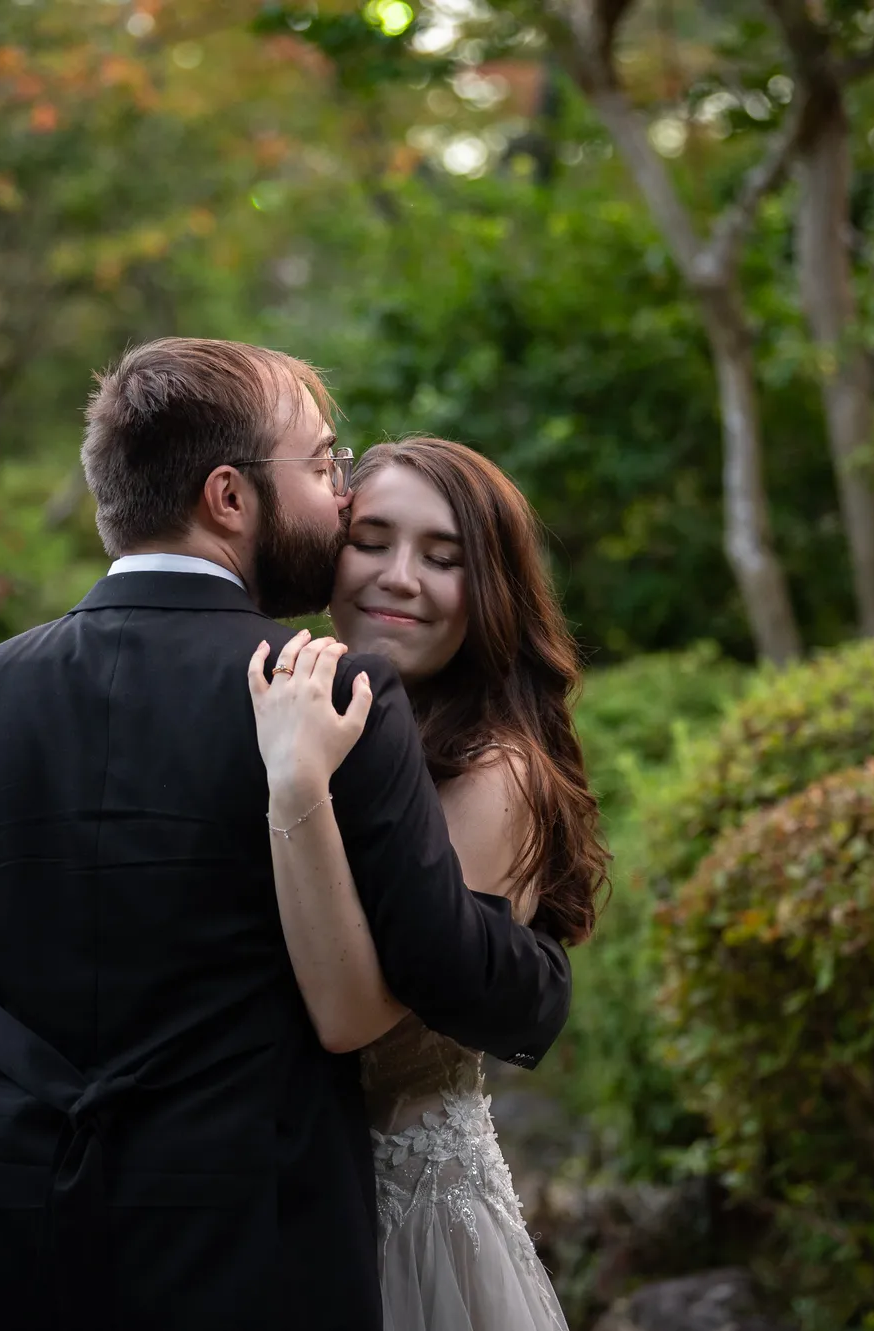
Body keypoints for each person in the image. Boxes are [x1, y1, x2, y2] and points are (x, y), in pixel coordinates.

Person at [0, 340, 572, 1331]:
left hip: (2, 1229)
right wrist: (542, 973)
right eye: (322, 463)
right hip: (245, 1241)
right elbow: (436, 965)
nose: (336, 496)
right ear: (228, 496)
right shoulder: (334, 689)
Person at [247, 437, 610, 1331]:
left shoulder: (497, 770)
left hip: (402, 1221)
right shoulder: (299, 699)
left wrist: (296, 784)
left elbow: (356, 1017)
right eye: (371, 541)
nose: (399, 577)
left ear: (490, 589)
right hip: (269, 1204)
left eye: (443, 558)